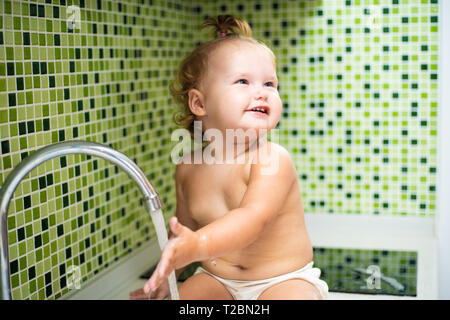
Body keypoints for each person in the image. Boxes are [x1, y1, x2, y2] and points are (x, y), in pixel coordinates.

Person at [130, 15, 328, 300]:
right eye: (243, 81)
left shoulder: (272, 159)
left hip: (283, 280)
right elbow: (183, 234)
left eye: (270, 84)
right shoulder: (187, 169)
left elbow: (252, 219)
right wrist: (166, 277)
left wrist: (198, 244)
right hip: (217, 279)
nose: (262, 93)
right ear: (199, 103)